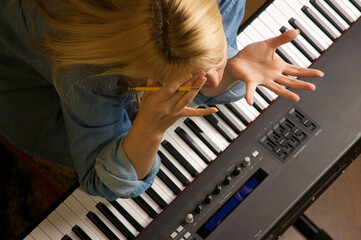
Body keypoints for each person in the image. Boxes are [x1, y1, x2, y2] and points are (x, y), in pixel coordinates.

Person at [0, 0, 324, 200]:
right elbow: (98, 178)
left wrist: (231, 68)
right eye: (182, 77)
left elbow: (206, 72)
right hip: (31, 89)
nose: (211, 79)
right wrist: (148, 131)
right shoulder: (84, 73)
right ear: (133, 73)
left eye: (214, 56)